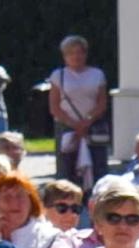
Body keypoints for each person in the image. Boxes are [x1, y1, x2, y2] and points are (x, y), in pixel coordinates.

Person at [48, 35, 110, 191]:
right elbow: (54, 106)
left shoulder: (97, 74)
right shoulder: (58, 75)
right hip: (67, 127)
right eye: (71, 53)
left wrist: (87, 121)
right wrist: (73, 124)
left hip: (93, 126)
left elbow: (102, 102)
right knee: (67, 166)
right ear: (65, 56)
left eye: (79, 52)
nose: (76, 56)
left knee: (97, 165)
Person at [0, 174, 71, 248]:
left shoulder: (51, 238)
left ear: (31, 202)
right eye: (6, 196)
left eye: (20, 196)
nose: (13, 202)